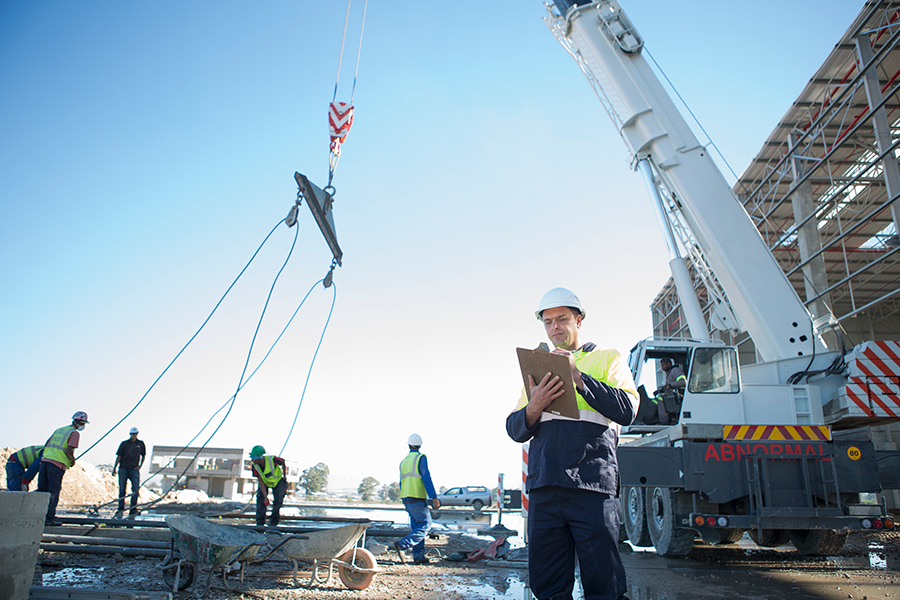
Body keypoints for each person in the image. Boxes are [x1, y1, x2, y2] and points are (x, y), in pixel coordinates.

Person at [506, 288, 638, 600]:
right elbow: (514, 429)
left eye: (562, 319)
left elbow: (628, 410)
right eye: (548, 321)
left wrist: (578, 377)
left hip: (591, 487)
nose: (555, 327)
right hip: (546, 487)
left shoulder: (609, 358)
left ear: (578, 320)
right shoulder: (536, 372)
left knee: (604, 585)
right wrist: (534, 406)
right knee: (548, 587)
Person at [394, 433, 441, 565]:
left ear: (409, 445)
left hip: (406, 498)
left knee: (416, 527)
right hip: (417, 497)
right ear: (420, 445)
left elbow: (401, 482)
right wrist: (434, 497)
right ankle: (403, 544)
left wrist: (403, 497)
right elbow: (426, 478)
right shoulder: (420, 458)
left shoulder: (403, 462)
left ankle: (418, 556)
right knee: (426, 524)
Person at [38, 411, 89, 526]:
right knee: (53, 491)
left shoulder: (60, 430)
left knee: (42, 491)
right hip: (57, 465)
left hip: (45, 461)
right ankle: (50, 518)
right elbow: (69, 450)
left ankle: (39, 516)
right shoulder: (74, 433)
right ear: (80, 423)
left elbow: (47, 444)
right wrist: (72, 460)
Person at [249, 445, 287, 527]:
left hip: (278, 482)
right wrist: (265, 497)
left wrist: (284, 477)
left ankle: (273, 523)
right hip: (265, 483)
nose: (252, 460)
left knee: (278, 501)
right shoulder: (255, 466)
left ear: (258, 457)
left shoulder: (272, 460)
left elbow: (283, 462)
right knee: (261, 499)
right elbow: (260, 481)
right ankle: (260, 523)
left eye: (253, 457)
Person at [113, 427, 146, 519]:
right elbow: (119, 456)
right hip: (123, 468)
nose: (134, 435)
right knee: (122, 490)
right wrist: (115, 468)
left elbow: (143, 455)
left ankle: (133, 509)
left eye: (135, 434)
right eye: (132, 434)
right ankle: (121, 508)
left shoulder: (140, 444)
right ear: (130, 434)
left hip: (134, 469)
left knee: (135, 489)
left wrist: (140, 466)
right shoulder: (124, 444)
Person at [654, 357, 686, 425]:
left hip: (677, 397)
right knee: (655, 400)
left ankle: (664, 420)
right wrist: (659, 390)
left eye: (663, 365)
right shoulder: (669, 373)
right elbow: (666, 386)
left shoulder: (676, 370)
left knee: (660, 399)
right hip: (670, 396)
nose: (662, 368)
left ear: (668, 364)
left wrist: (671, 385)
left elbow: (683, 382)